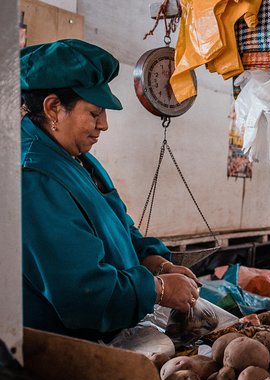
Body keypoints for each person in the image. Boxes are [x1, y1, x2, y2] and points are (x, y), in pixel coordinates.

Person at [21, 39, 200, 342]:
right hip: (64, 349)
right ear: (53, 108)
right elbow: (82, 292)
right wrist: (159, 289)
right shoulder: (33, 177)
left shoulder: (78, 160)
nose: (103, 124)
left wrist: (153, 259)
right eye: (94, 113)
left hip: (108, 329)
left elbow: (118, 223)